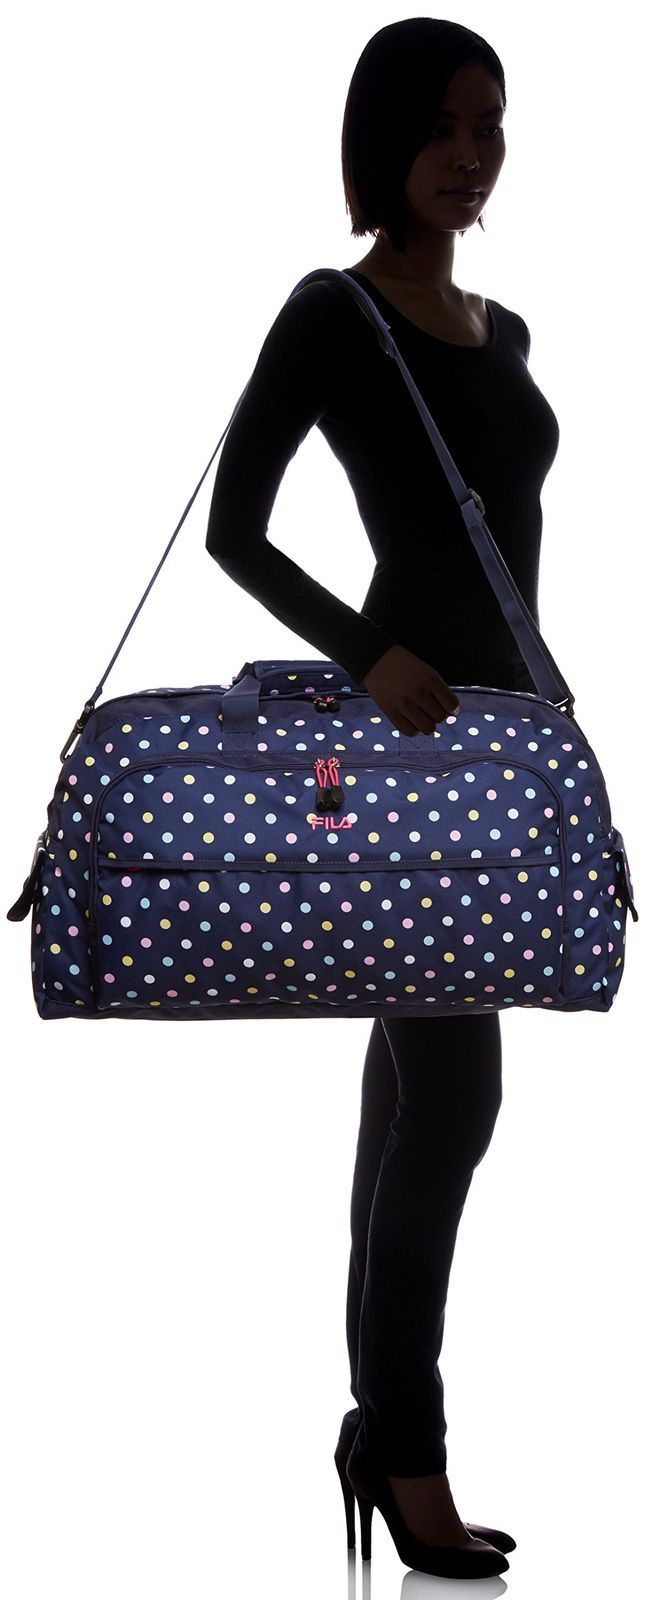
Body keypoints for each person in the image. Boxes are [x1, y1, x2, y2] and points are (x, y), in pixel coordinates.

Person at [205, 16, 560, 1577]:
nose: (469, 155)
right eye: (441, 127)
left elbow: (505, 544)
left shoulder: (505, 326)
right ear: (383, 140)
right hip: (403, 750)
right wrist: (369, 659)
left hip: (491, 749)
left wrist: (533, 699)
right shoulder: (333, 311)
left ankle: (373, 1429)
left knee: (410, 1098)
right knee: (455, 1102)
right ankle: (406, 1452)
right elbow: (236, 529)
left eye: (490, 125)